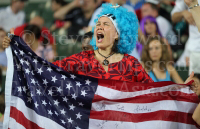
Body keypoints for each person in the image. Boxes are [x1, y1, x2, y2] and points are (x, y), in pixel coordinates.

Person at [3, 4, 195, 84]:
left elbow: (154, 91)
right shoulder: (81, 59)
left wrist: (184, 91)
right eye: (98, 24)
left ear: (118, 35)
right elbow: (46, 69)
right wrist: (14, 48)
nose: (99, 27)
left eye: (106, 24)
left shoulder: (131, 64)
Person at [171, 0, 200, 67]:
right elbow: (173, 16)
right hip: (192, 45)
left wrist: (193, 5)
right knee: (180, 70)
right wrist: (183, 13)